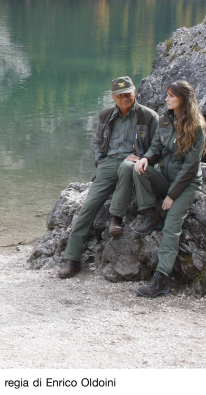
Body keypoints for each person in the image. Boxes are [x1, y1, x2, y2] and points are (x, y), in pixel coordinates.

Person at [57, 76, 159, 278]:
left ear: (135, 92)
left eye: (128, 94)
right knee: (88, 207)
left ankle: (115, 217)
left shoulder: (148, 116)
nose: (124, 99)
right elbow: (96, 141)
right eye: (119, 95)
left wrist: (143, 158)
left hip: (133, 163)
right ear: (113, 96)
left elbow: (158, 146)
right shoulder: (105, 115)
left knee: (127, 168)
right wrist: (100, 160)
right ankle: (72, 258)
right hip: (108, 163)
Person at [132, 80, 206, 297]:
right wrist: (146, 158)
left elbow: (190, 168)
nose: (166, 99)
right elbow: (157, 146)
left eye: (171, 96)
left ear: (183, 100)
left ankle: (162, 279)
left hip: (186, 185)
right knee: (137, 169)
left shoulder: (196, 128)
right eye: (167, 95)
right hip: (166, 178)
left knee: (171, 227)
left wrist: (171, 196)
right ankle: (151, 214)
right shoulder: (165, 120)